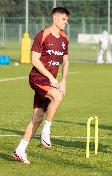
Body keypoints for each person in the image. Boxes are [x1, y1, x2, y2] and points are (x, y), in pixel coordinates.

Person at [12, 7, 70, 164]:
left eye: (67, 19)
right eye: (64, 19)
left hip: (49, 81)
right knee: (58, 95)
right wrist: (51, 76)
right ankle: (46, 132)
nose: (66, 22)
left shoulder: (64, 38)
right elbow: (35, 60)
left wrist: (63, 80)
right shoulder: (42, 35)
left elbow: (65, 61)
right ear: (55, 19)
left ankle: (20, 150)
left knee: (37, 118)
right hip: (37, 78)